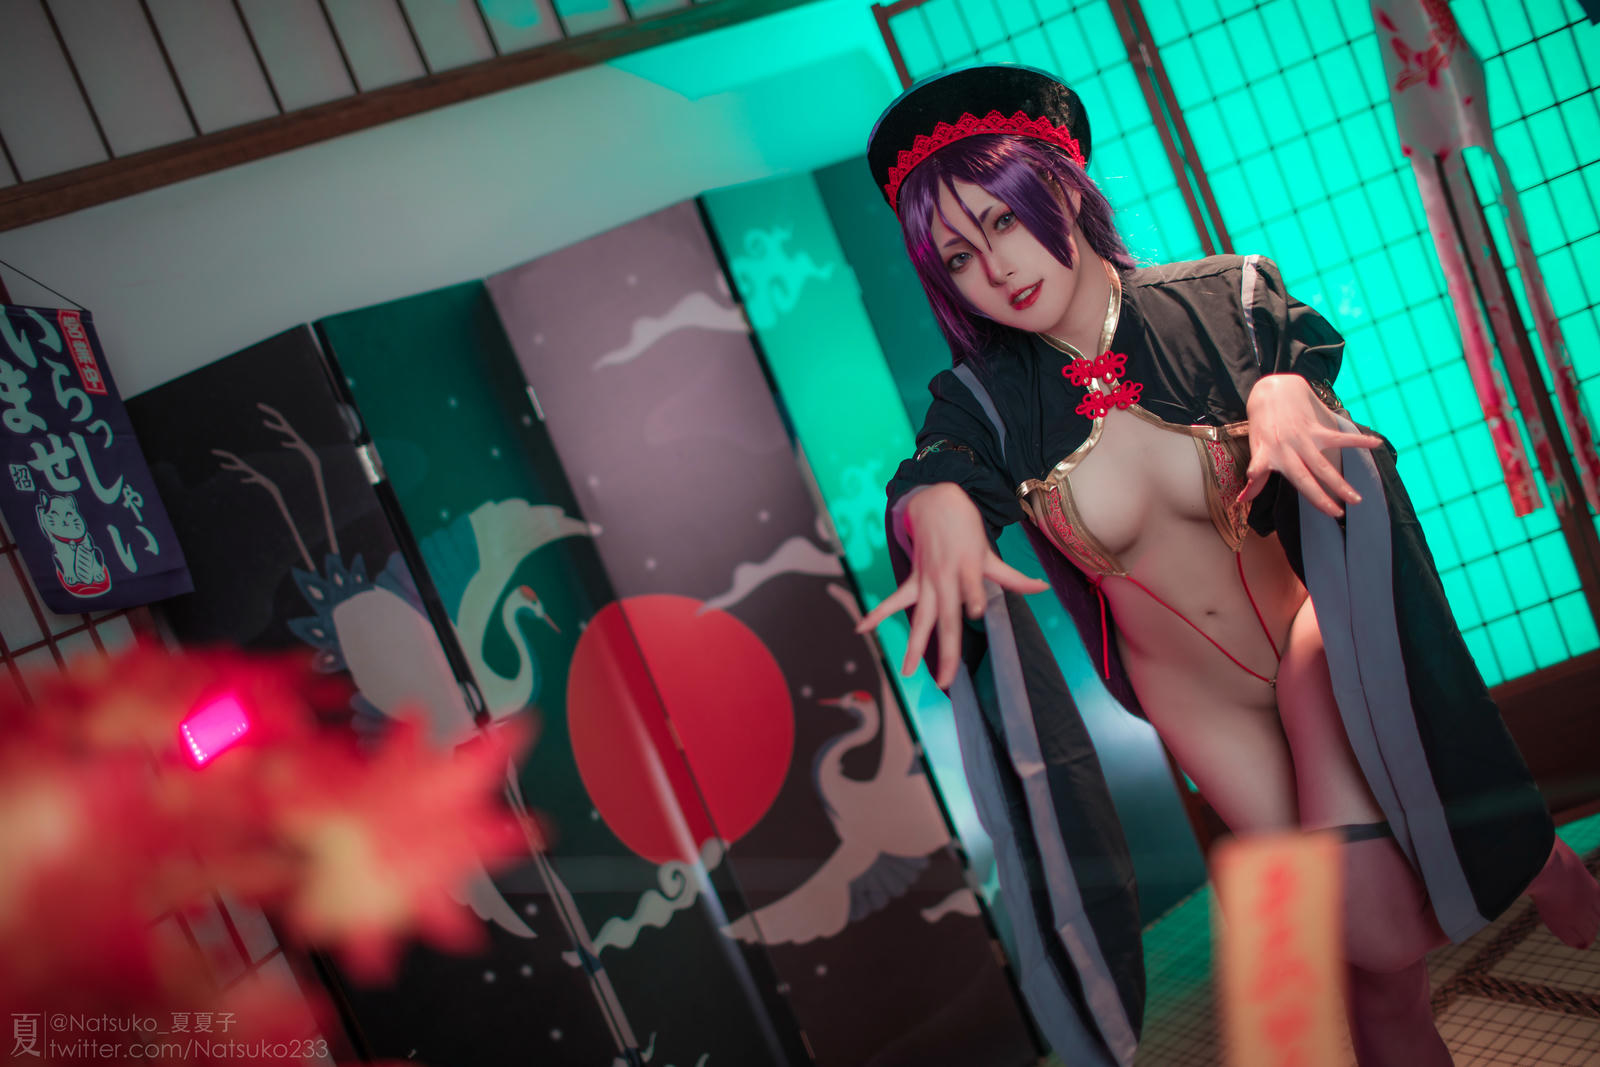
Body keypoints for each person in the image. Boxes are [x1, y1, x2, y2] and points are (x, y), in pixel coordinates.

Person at [855, 64, 1599, 1067]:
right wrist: (934, 508)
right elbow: (938, 465)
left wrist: (1287, 394)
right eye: (957, 254)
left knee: (1373, 928)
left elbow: (1301, 361)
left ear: (1063, 188)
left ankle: (1528, 856)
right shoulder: (982, 403)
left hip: (1314, 642)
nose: (995, 265)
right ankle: (1533, 856)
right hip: (1199, 707)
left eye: (1004, 219)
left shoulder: (1226, 298)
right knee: (1375, 969)